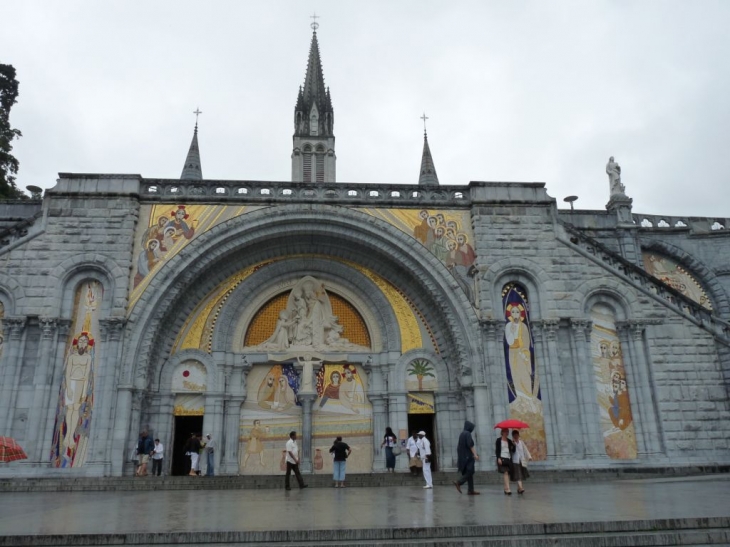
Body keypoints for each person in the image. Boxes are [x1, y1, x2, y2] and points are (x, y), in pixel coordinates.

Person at [453, 420, 480, 495]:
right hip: (468, 456)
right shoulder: (467, 433)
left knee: (469, 473)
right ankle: (459, 482)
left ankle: (470, 490)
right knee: (470, 471)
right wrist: (475, 455)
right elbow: (470, 445)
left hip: (463, 457)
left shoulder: (462, 434)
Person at [495, 428, 516, 495]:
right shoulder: (498, 440)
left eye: (508, 432)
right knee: (506, 472)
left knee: (508, 474)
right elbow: (497, 450)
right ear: (502, 432)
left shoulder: (509, 441)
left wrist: (514, 445)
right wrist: (498, 458)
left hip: (508, 458)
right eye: (506, 431)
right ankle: (508, 488)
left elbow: (513, 451)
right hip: (502, 458)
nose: (507, 433)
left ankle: (505, 488)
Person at [511, 430, 531, 494]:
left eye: (517, 435)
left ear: (518, 435)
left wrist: (529, 456)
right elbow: (511, 451)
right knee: (518, 474)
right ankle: (521, 488)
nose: (516, 436)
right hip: (515, 460)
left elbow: (525, 449)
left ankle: (519, 488)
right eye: (514, 435)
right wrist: (513, 445)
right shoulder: (511, 443)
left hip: (522, 460)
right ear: (513, 436)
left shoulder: (521, 442)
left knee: (521, 474)